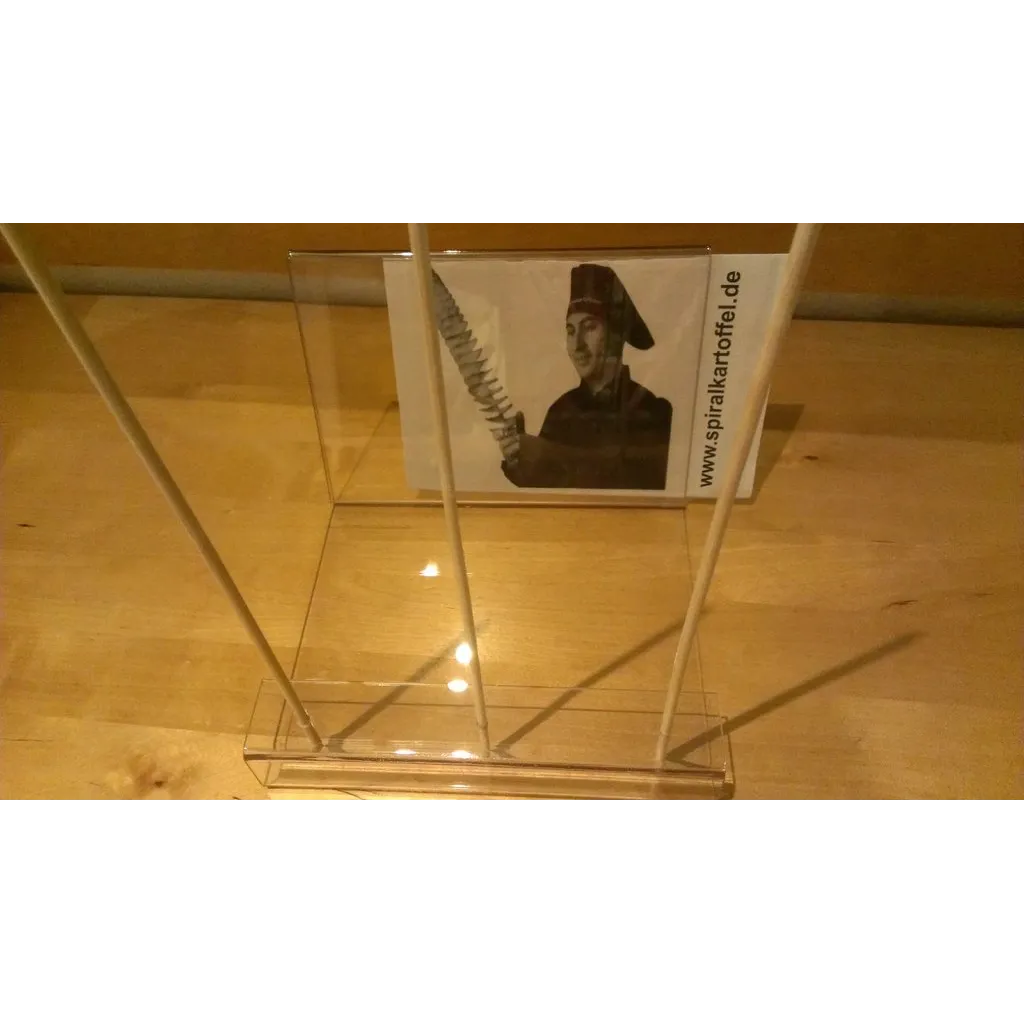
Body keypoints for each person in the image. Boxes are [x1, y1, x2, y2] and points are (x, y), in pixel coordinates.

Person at [502, 263, 673, 490]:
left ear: (617, 335)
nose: (577, 345)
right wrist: (520, 462)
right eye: (571, 331)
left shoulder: (652, 412)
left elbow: (636, 484)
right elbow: (547, 491)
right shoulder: (560, 411)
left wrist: (548, 453)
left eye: (590, 327)